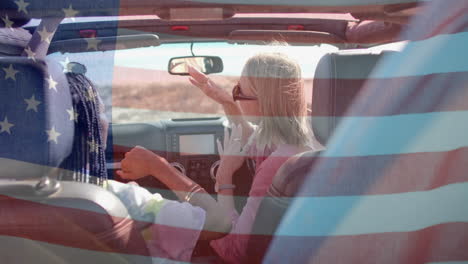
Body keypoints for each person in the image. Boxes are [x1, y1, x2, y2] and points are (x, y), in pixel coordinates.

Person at [117, 52, 323, 263]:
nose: (236, 97)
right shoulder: (312, 143)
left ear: (265, 102)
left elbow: (235, 251)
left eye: (240, 92)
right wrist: (227, 103)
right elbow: (251, 140)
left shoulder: (276, 165)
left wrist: (223, 177)